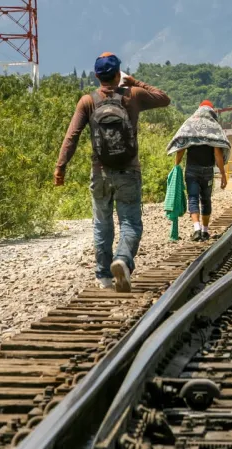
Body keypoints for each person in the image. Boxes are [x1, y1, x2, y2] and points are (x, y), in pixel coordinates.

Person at [54, 52, 170, 292]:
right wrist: (135, 82)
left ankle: (104, 277)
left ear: (97, 76)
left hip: (100, 172)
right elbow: (164, 98)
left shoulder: (87, 101)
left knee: (102, 224)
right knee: (130, 223)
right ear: (118, 74)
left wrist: (60, 168)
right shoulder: (133, 96)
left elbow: (71, 136)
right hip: (128, 171)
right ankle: (123, 260)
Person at [167, 100, 229, 242]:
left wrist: (176, 166)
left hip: (191, 170)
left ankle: (196, 229)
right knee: (206, 200)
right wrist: (223, 174)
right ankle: (205, 231)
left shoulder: (189, 124)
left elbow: (181, 146)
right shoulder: (214, 127)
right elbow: (218, 154)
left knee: (193, 198)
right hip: (207, 171)